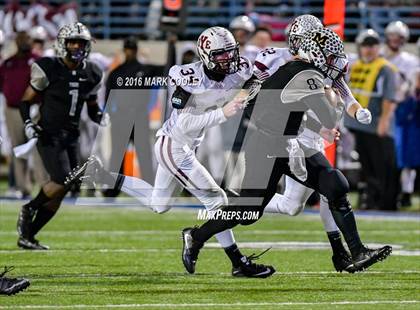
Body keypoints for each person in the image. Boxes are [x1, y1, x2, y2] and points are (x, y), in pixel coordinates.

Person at [67, 27, 275, 278]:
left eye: (230, 53)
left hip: (186, 144)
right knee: (217, 200)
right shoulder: (187, 76)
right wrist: (224, 112)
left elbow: (255, 79)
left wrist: (245, 93)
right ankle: (237, 262)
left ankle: (103, 175)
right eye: (221, 55)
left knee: (159, 204)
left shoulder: (238, 67)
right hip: (174, 144)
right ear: (206, 55)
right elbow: (183, 123)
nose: (228, 60)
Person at [181, 28, 392, 275]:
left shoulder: (296, 70)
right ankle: (196, 236)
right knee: (249, 212)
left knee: (334, 184)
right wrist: (333, 97)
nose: (336, 61)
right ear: (318, 54)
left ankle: (356, 252)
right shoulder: (305, 75)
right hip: (269, 147)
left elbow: (273, 107)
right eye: (332, 56)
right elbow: (328, 116)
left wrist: (309, 125)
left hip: (288, 142)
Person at [253, 14, 373, 273]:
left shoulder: (324, 62)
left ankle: (342, 253)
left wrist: (357, 110)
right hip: (291, 134)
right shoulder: (280, 61)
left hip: (315, 133)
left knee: (310, 198)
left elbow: (342, 90)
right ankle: (344, 252)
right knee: (317, 193)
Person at [16, 22, 105, 250]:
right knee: (62, 178)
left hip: (71, 135)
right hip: (49, 132)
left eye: (81, 43)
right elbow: (25, 100)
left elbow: (92, 106)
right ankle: (30, 207)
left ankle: (29, 236)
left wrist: (100, 116)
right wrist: (28, 122)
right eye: (73, 42)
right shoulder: (49, 67)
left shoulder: (92, 72)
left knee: (65, 188)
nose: (77, 47)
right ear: (62, 44)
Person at [344, 29, 399, 210]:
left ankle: (387, 203)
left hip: (376, 126)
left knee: (382, 166)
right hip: (359, 126)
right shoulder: (356, 66)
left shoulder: (385, 68)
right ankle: (373, 200)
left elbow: (389, 98)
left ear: (378, 47)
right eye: (366, 45)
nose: (369, 49)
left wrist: (384, 122)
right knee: (368, 167)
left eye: (372, 45)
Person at [103, 36, 163, 197]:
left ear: (136, 50)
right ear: (124, 50)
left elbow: (168, 69)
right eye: (127, 49)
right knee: (117, 154)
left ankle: (149, 187)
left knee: (144, 153)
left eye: (132, 49)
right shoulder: (116, 72)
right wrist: (110, 115)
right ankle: (113, 188)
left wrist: (171, 45)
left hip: (139, 116)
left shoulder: (146, 70)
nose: (130, 52)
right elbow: (108, 97)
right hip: (121, 117)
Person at [0, 31, 48, 198]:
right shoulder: (8, 63)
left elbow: (44, 85)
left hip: (33, 109)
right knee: (18, 149)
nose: (24, 41)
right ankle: (22, 187)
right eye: (21, 38)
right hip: (12, 109)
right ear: (16, 41)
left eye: (26, 38)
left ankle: (44, 185)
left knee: (38, 148)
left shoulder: (38, 60)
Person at [384, 21, 420, 207]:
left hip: (403, 110)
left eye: (398, 37)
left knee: (405, 154)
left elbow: (411, 89)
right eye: (392, 36)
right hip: (382, 109)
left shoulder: (411, 61)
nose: (394, 40)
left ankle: (406, 191)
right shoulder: (381, 57)